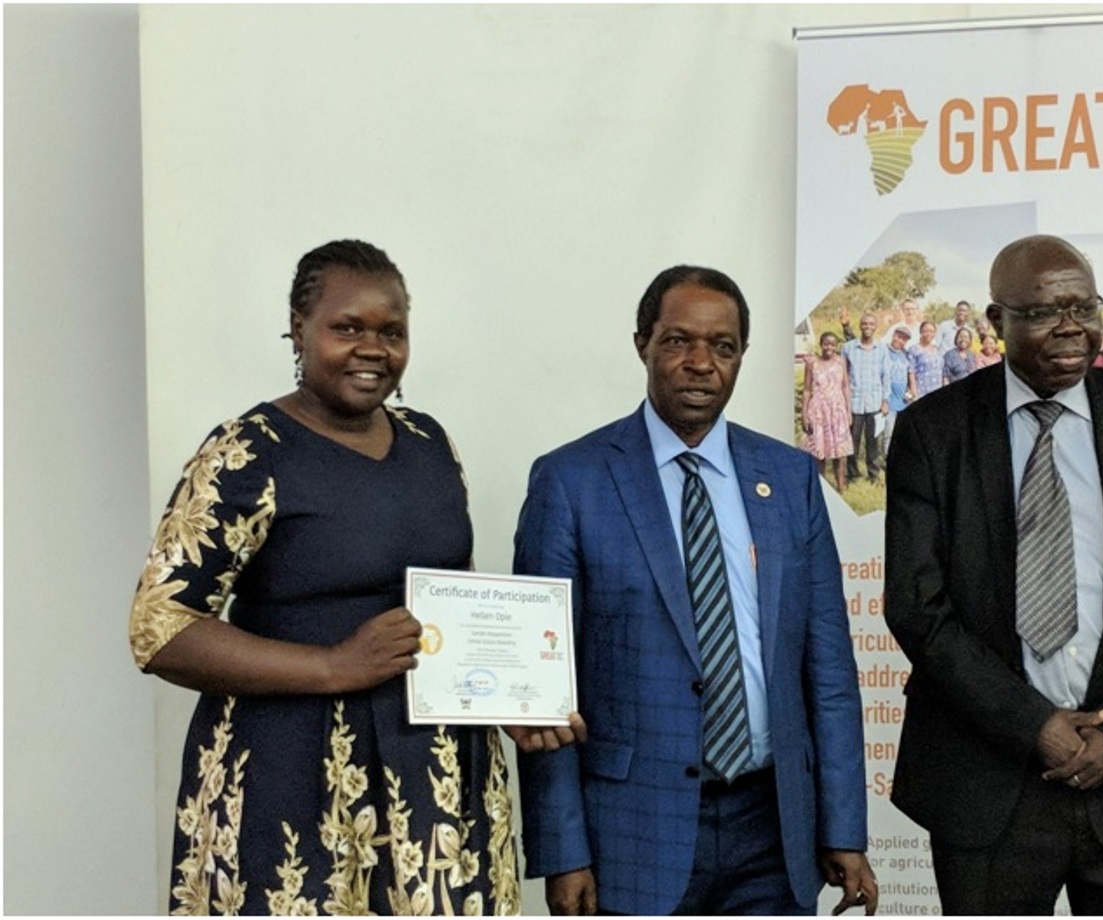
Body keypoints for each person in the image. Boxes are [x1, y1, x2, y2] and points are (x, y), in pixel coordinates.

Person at [128, 240, 582, 915]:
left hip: (438, 793)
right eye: (348, 328)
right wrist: (333, 666)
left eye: (391, 332)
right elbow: (159, 629)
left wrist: (511, 701)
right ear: (298, 327)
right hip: (292, 786)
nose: (373, 348)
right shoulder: (246, 453)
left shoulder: (430, 444)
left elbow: (457, 604)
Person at [513, 265, 875, 916]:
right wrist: (563, 850)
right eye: (679, 341)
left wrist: (844, 828)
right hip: (631, 832)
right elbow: (543, 692)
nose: (701, 363)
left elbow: (828, 671)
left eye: (723, 346)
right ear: (642, 345)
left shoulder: (789, 478)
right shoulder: (571, 482)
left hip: (772, 825)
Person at [884, 234, 1103, 914]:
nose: (1071, 326)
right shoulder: (932, 431)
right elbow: (918, 606)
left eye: (1084, 306)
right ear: (994, 322)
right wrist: (1033, 723)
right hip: (989, 789)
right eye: (1043, 311)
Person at [838, 311, 889, 483]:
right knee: (853, 440)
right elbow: (843, 375)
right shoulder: (848, 348)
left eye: (871, 324)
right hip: (854, 403)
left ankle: (873, 475)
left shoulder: (882, 348)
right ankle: (853, 474)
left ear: (875, 327)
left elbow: (886, 376)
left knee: (873, 442)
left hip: (875, 402)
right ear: (860, 326)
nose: (867, 327)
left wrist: (884, 401)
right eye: (864, 323)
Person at [801, 331, 855, 491]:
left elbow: (845, 386)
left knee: (840, 452)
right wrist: (804, 414)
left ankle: (841, 485)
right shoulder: (812, 363)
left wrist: (848, 410)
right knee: (819, 451)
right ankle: (822, 488)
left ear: (836, 346)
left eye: (832, 344)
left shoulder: (841, 362)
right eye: (826, 344)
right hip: (818, 411)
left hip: (837, 410)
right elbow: (806, 390)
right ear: (821, 344)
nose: (829, 347)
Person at [879, 325, 912, 458]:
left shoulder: (905, 354)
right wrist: (883, 400)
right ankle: (888, 460)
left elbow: (910, 378)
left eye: (904, 339)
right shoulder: (883, 350)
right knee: (889, 434)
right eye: (899, 336)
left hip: (903, 402)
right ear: (893, 335)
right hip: (889, 401)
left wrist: (909, 394)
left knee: (902, 434)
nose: (900, 340)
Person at [906, 320, 944, 401]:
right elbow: (911, 373)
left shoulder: (937, 349)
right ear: (920, 332)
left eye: (931, 331)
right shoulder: (914, 350)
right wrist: (914, 393)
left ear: (935, 333)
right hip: (921, 392)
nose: (928, 334)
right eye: (925, 331)